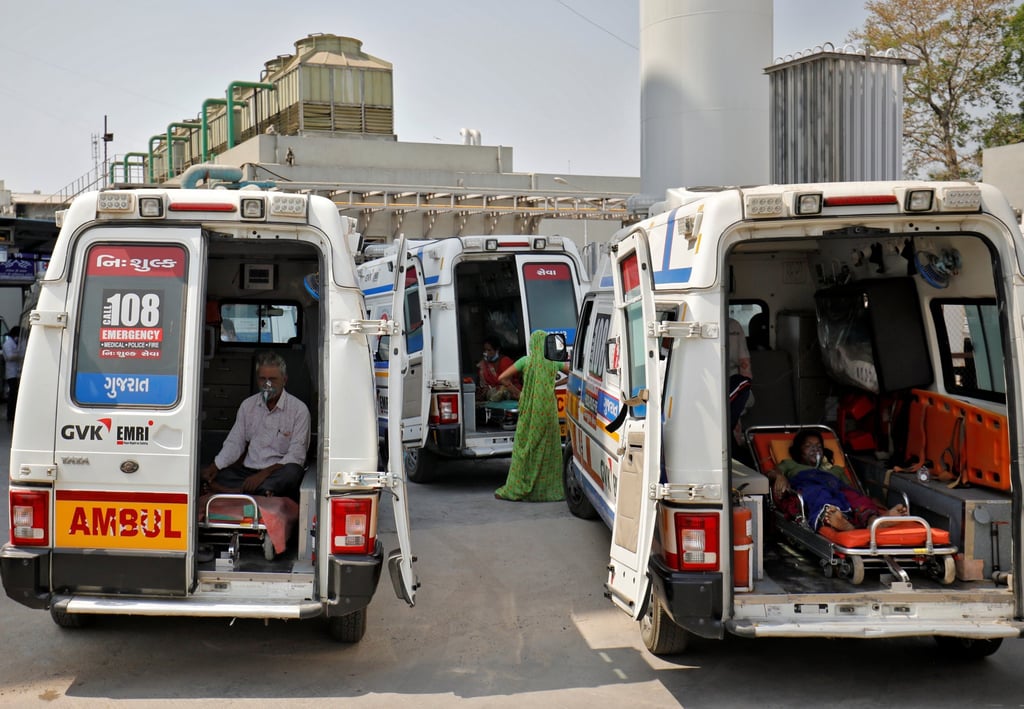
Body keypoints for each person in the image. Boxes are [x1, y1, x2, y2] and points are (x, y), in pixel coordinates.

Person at [201, 352, 311, 500]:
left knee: (293, 473)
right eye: (262, 379)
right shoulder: (248, 406)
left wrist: (262, 475)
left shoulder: (299, 409)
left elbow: (296, 455)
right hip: (247, 473)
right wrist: (215, 466)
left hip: (276, 472)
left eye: (272, 379)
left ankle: (235, 491)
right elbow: (235, 443)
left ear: (284, 380)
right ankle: (260, 491)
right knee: (211, 473)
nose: (267, 384)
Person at [766, 429, 907, 532]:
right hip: (810, 486)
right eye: (808, 446)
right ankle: (836, 519)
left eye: (819, 446)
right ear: (798, 450)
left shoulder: (836, 470)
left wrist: (870, 500)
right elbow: (771, 472)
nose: (815, 449)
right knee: (818, 493)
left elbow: (852, 490)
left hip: (838, 490)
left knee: (856, 498)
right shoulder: (791, 464)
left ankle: (873, 521)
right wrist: (780, 477)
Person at [494, 330, 568, 502]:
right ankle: (546, 490)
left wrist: (519, 393)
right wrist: (555, 383)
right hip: (548, 412)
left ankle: (519, 486)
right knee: (548, 449)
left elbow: (502, 378)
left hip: (529, 411)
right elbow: (573, 372)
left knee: (525, 447)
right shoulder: (553, 363)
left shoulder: (525, 361)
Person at [728, 317, 754, 442]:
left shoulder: (733, 325)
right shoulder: (734, 324)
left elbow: (744, 361)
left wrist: (747, 388)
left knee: (733, 417)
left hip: (732, 378)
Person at [477, 335, 520, 401]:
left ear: (497, 350)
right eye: (485, 350)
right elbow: (483, 384)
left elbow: (508, 383)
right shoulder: (484, 364)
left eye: (489, 350)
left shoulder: (505, 361)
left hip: (510, 391)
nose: (486, 353)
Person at [3, 326, 23, 422]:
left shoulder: (12, 342)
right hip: (11, 373)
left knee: (14, 394)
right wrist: (19, 356)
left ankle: (12, 414)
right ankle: (10, 416)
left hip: (14, 372)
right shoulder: (8, 343)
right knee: (12, 395)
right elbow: (10, 356)